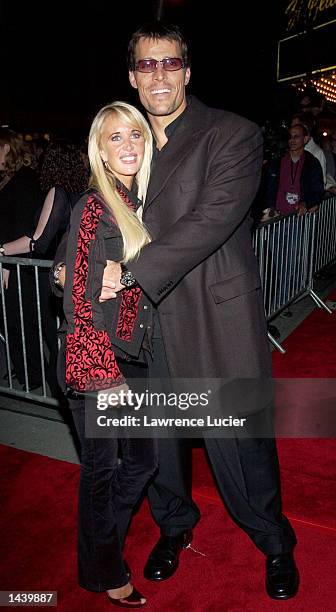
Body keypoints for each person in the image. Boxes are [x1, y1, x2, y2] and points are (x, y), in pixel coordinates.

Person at [54, 23, 299, 601]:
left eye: (170, 63)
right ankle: (174, 527)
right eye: (147, 64)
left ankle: (274, 542)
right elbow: (96, 211)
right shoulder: (130, 141)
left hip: (217, 318)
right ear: (133, 76)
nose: (158, 74)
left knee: (240, 440)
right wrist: (75, 266)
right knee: (159, 444)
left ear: (187, 71)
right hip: (143, 328)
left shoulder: (231, 133)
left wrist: (132, 272)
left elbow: (213, 218)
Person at [61, 101, 157, 607]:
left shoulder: (137, 201)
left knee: (141, 461)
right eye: (114, 137)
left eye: (135, 135)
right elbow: (79, 291)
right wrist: (103, 375)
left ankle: (99, 548)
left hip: (130, 358)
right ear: (100, 149)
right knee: (103, 470)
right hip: (98, 363)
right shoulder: (95, 205)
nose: (127, 146)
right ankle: (106, 570)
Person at [0, 138, 89, 395]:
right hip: (66, 273)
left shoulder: (57, 191)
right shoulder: (81, 192)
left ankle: (67, 395)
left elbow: (36, 242)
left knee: (55, 340)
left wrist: (2, 250)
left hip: (49, 277)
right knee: (60, 339)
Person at [0, 127, 44, 389]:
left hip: (19, 266)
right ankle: (23, 369)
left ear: (7, 148)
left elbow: (28, 229)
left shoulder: (24, 179)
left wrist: (4, 256)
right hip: (9, 263)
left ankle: (32, 375)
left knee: (22, 323)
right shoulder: (7, 179)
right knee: (11, 323)